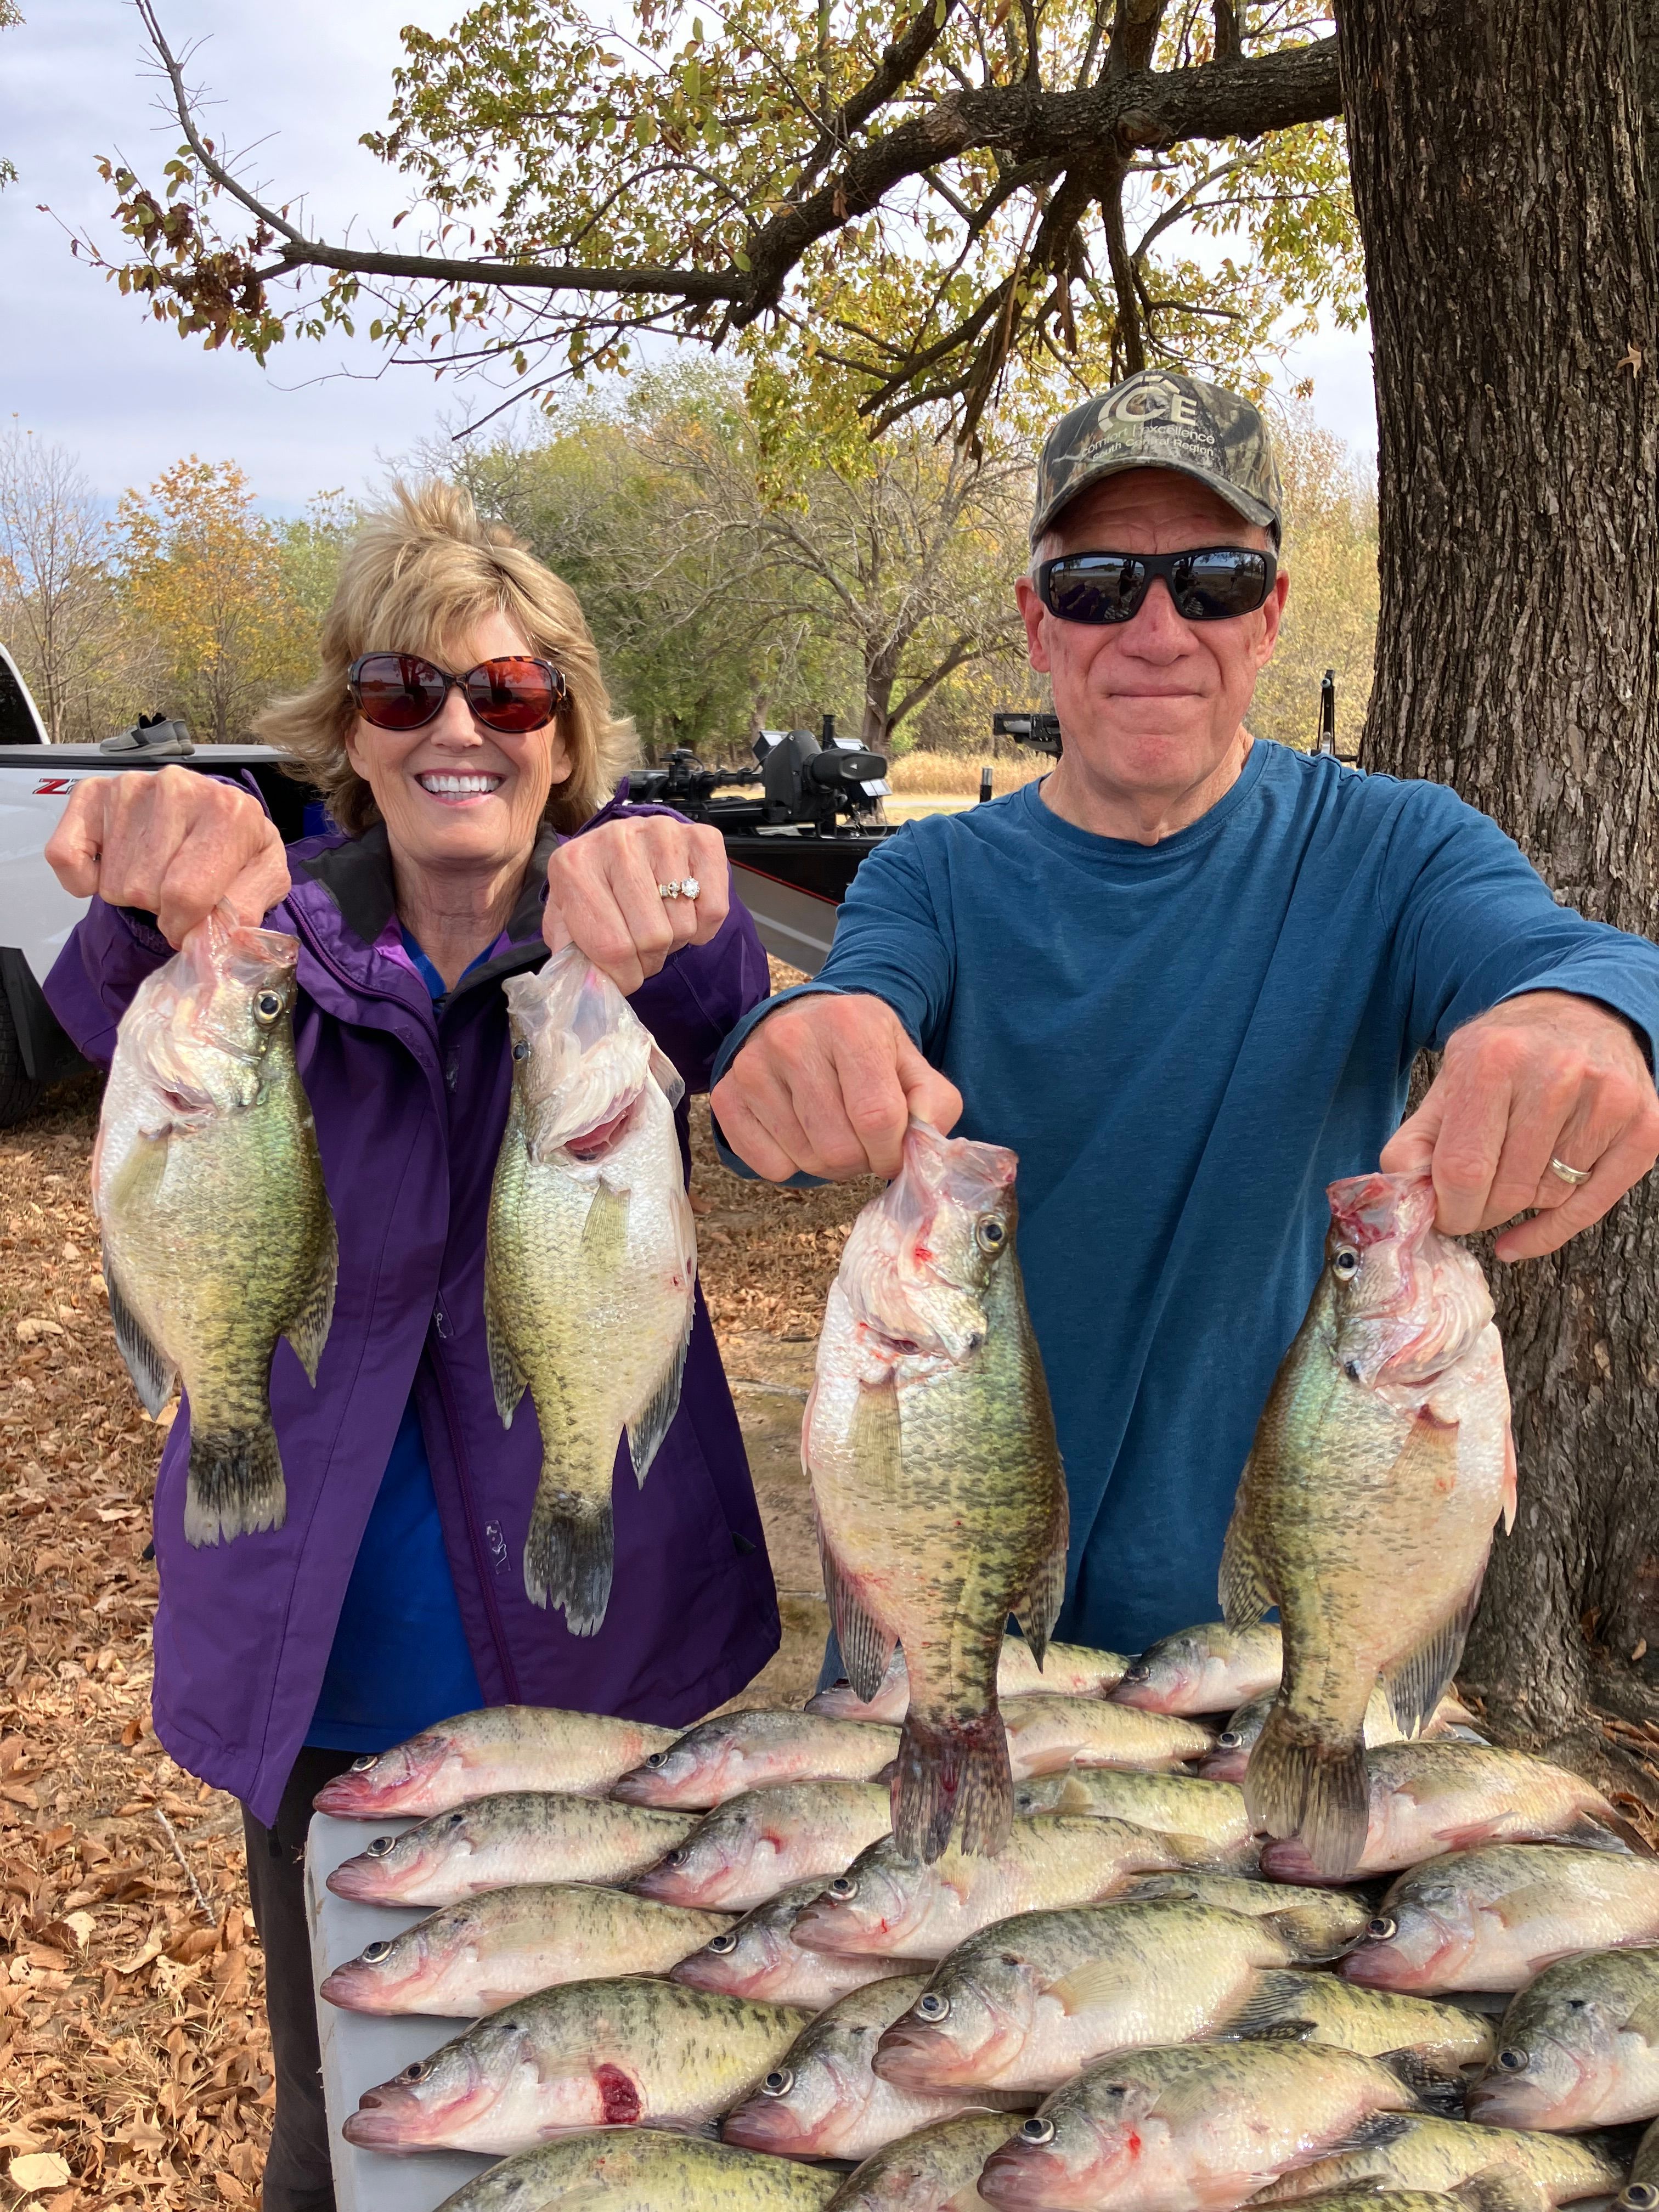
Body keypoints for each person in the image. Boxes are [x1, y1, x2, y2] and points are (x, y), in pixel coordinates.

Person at [44, 482, 779, 2212]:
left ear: (566, 738)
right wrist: (152, 877)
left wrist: (692, 909)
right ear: (349, 738)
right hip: (321, 1685)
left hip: (606, 1669)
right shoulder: (258, 954)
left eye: (512, 696)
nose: (460, 727)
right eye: (405, 693)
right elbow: (100, 1003)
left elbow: (743, 1036)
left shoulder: (627, 963)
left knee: (612, 2116)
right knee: (361, 2127)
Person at [710, 366, 1659, 1663]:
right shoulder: (929, 875)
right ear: (1037, 626)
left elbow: (1574, 960)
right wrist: (798, 1047)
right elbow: (858, 997)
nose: (1157, 632)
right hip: (957, 1620)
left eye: (1212, 580)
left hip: (1265, 1643)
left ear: (1270, 616)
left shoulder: (1402, 847)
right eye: (1097, 586)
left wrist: (1589, 1017)